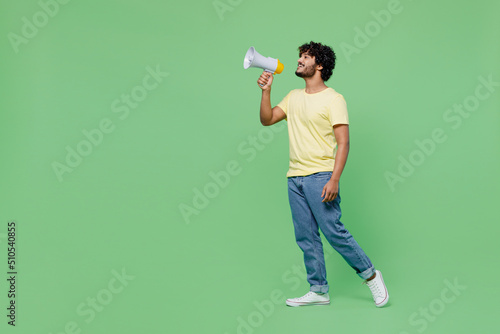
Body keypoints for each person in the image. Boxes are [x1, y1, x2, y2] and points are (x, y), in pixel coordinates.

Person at [258, 41, 389, 308]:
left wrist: (334, 178)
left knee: (334, 232)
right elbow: (267, 119)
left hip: (321, 176)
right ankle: (318, 289)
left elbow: (344, 142)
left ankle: (372, 275)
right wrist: (266, 91)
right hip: (294, 177)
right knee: (305, 236)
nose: (300, 60)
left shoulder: (334, 99)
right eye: (300, 56)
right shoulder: (293, 97)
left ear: (319, 65)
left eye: (306, 57)